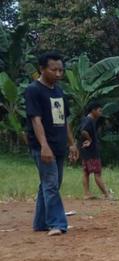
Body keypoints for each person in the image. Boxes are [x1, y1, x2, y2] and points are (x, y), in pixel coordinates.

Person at [24, 52, 79, 236]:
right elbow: (35, 120)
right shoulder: (34, 90)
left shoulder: (59, 91)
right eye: (53, 69)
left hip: (59, 144)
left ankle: (40, 223)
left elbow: (65, 120)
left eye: (61, 70)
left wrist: (72, 143)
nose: (58, 74)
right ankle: (57, 223)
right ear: (42, 69)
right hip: (43, 146)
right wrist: (44, 146)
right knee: (50, 183)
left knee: (49, 184)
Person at [78, 101, 112, 200]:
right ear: (93, 110)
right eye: (99, 110)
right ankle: (107, 194)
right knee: (97, 173)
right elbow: (84, 131)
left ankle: (86, 194)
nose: (101, 113)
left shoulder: (86, 119)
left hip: (85, 151)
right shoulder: (89, 120)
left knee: (86, 172)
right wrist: (89, 139)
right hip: (91, 151)